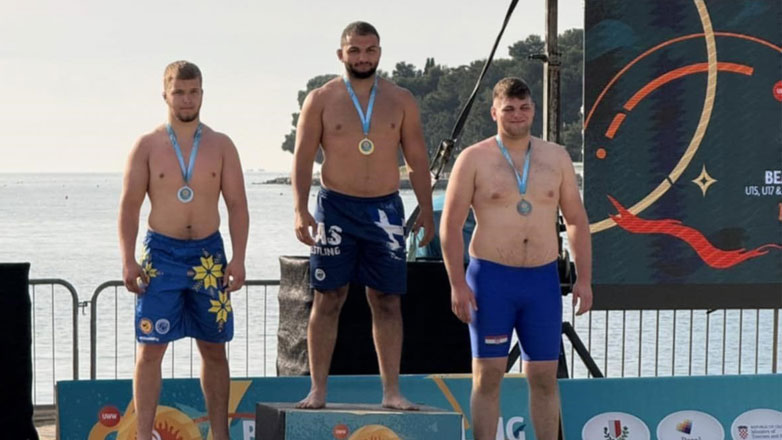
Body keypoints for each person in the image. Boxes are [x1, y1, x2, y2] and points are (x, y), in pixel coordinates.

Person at [292, 21, 434, 410]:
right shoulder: (321, 99)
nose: (362, 57)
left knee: (387, 299)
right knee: (328, 297)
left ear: (379, 53)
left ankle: (392, 391)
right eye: (354, 50)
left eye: (370, 50)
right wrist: (300, 209)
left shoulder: (401, 99)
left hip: (384, 209)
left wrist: (426, 208)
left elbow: (417, 158)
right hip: (336, 207)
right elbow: (302, 159)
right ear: (341, 54)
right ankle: (317, 390)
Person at [440, 77, 592, 440]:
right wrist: (457, 283)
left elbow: (575, 219)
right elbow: (451, 224)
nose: (517, 115)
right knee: (488, 375)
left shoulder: (556, 157)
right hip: (492, 280)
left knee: (544, 376)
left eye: (524, 108)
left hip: (541, 281)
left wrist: (584, 278)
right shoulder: (473, 158)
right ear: (494, 112)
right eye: (508, 109)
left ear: (533, 111)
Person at [118, 60, 249, 440]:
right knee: (150, 349)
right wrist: (127, 260)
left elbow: (237, 205)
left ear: (202, 94)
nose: (187, 99)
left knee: (214, 348)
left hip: (209, 255)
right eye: (179, 92)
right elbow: (129, 206)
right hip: (161, 255)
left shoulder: (222, 145)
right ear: (165, 94)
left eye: (193, 92)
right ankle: (144, 435)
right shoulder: (147, 145)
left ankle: (220, 435)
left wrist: (239, 258)